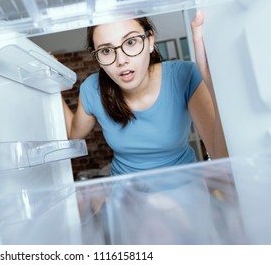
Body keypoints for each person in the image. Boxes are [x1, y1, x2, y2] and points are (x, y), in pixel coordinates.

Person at [62, 11, 228, 176]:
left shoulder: (184, 76)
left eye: (131, 41)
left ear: (150, 41)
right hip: (127, 194)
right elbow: (73, 134)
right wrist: (53, 87)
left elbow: (221, 158)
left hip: (185, 190)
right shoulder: (92, 89)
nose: (121, 61)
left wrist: (212, 86)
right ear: (97, 58)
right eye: (106, 51)